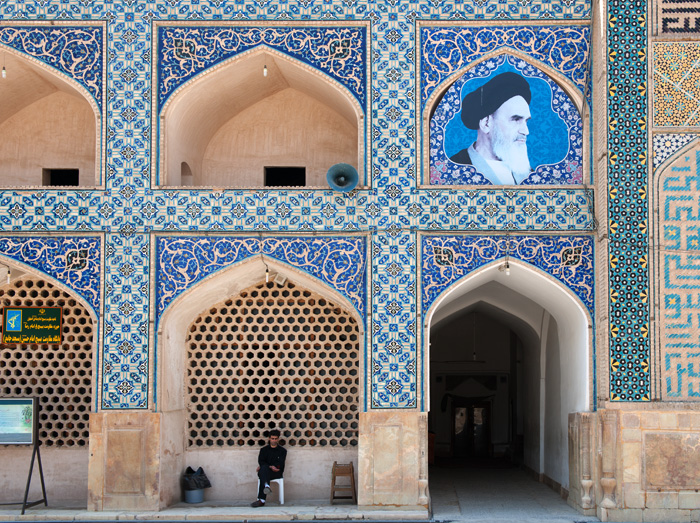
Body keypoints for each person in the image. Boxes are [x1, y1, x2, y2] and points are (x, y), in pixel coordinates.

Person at [449, 71, 532, 185]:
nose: (526, 131)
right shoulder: (453, 171)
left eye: (526, 121)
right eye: (516, 119)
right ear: (486, 124)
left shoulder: (529, 174)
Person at [250, 429, 287, 507]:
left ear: (278, 439)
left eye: (275, 439)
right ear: (269, 438)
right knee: (264, 468)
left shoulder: (282, 451)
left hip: (275, 472)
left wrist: (275, 467)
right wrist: (270, 466)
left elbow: (281, 464)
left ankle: (261, 500)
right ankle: (266, 486)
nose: (274, 440)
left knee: (263, 469)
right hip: (265, 471)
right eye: (272, 438)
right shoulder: (263, 450)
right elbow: (261, 461)